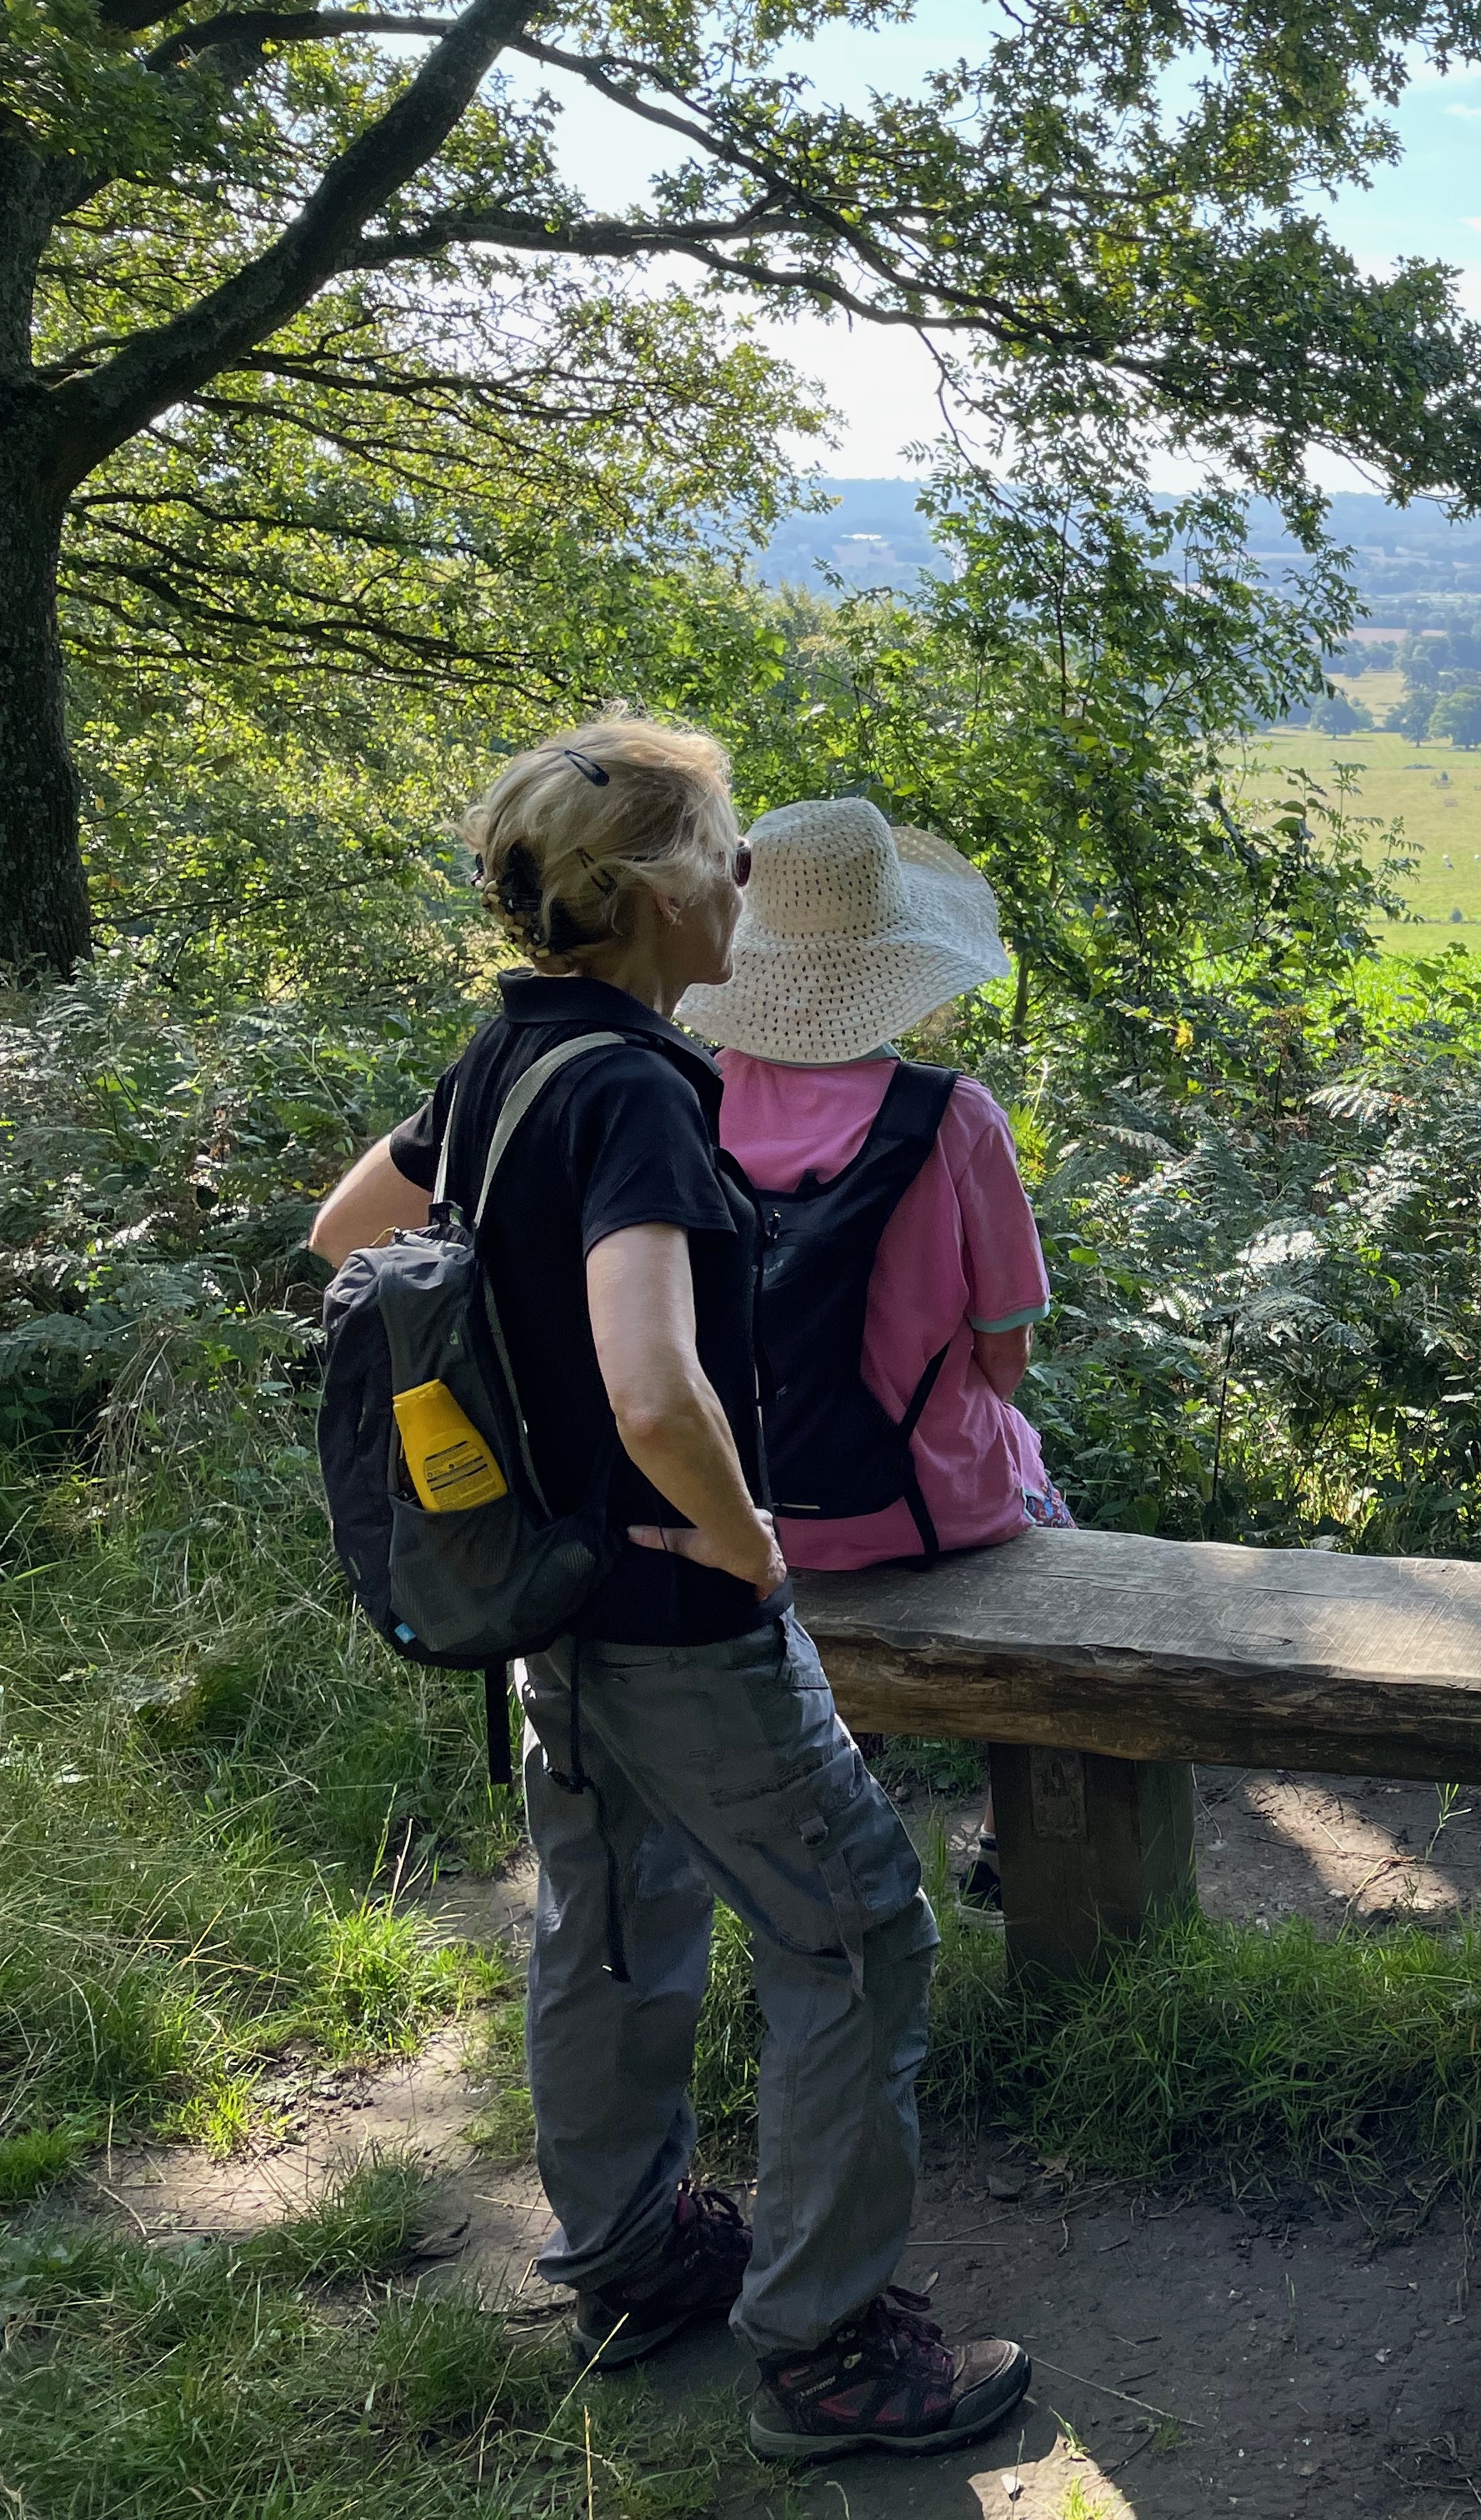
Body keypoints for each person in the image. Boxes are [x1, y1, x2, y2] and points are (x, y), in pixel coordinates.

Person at [306, 718, 1032, 2463]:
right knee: (858, 1934)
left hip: (549, 1599)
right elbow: (653, 1376)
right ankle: (831, 2349)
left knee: (610, 1923)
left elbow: (346, 1238)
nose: (747, 886)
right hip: (680, 1610)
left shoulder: (506, 1057)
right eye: (723, 855)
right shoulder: (634, 1088)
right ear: (643, 900)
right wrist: (748, 1538)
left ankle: (631, 2258)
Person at [672, 795, 1070, 1904]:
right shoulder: (954, 1119)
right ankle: (1012, 1839)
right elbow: (1003, 1356)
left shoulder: (685, 1096)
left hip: (737, 1504)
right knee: (1041, 1500)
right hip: (923, 1510)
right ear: (899, 959)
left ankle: (854, 1783)